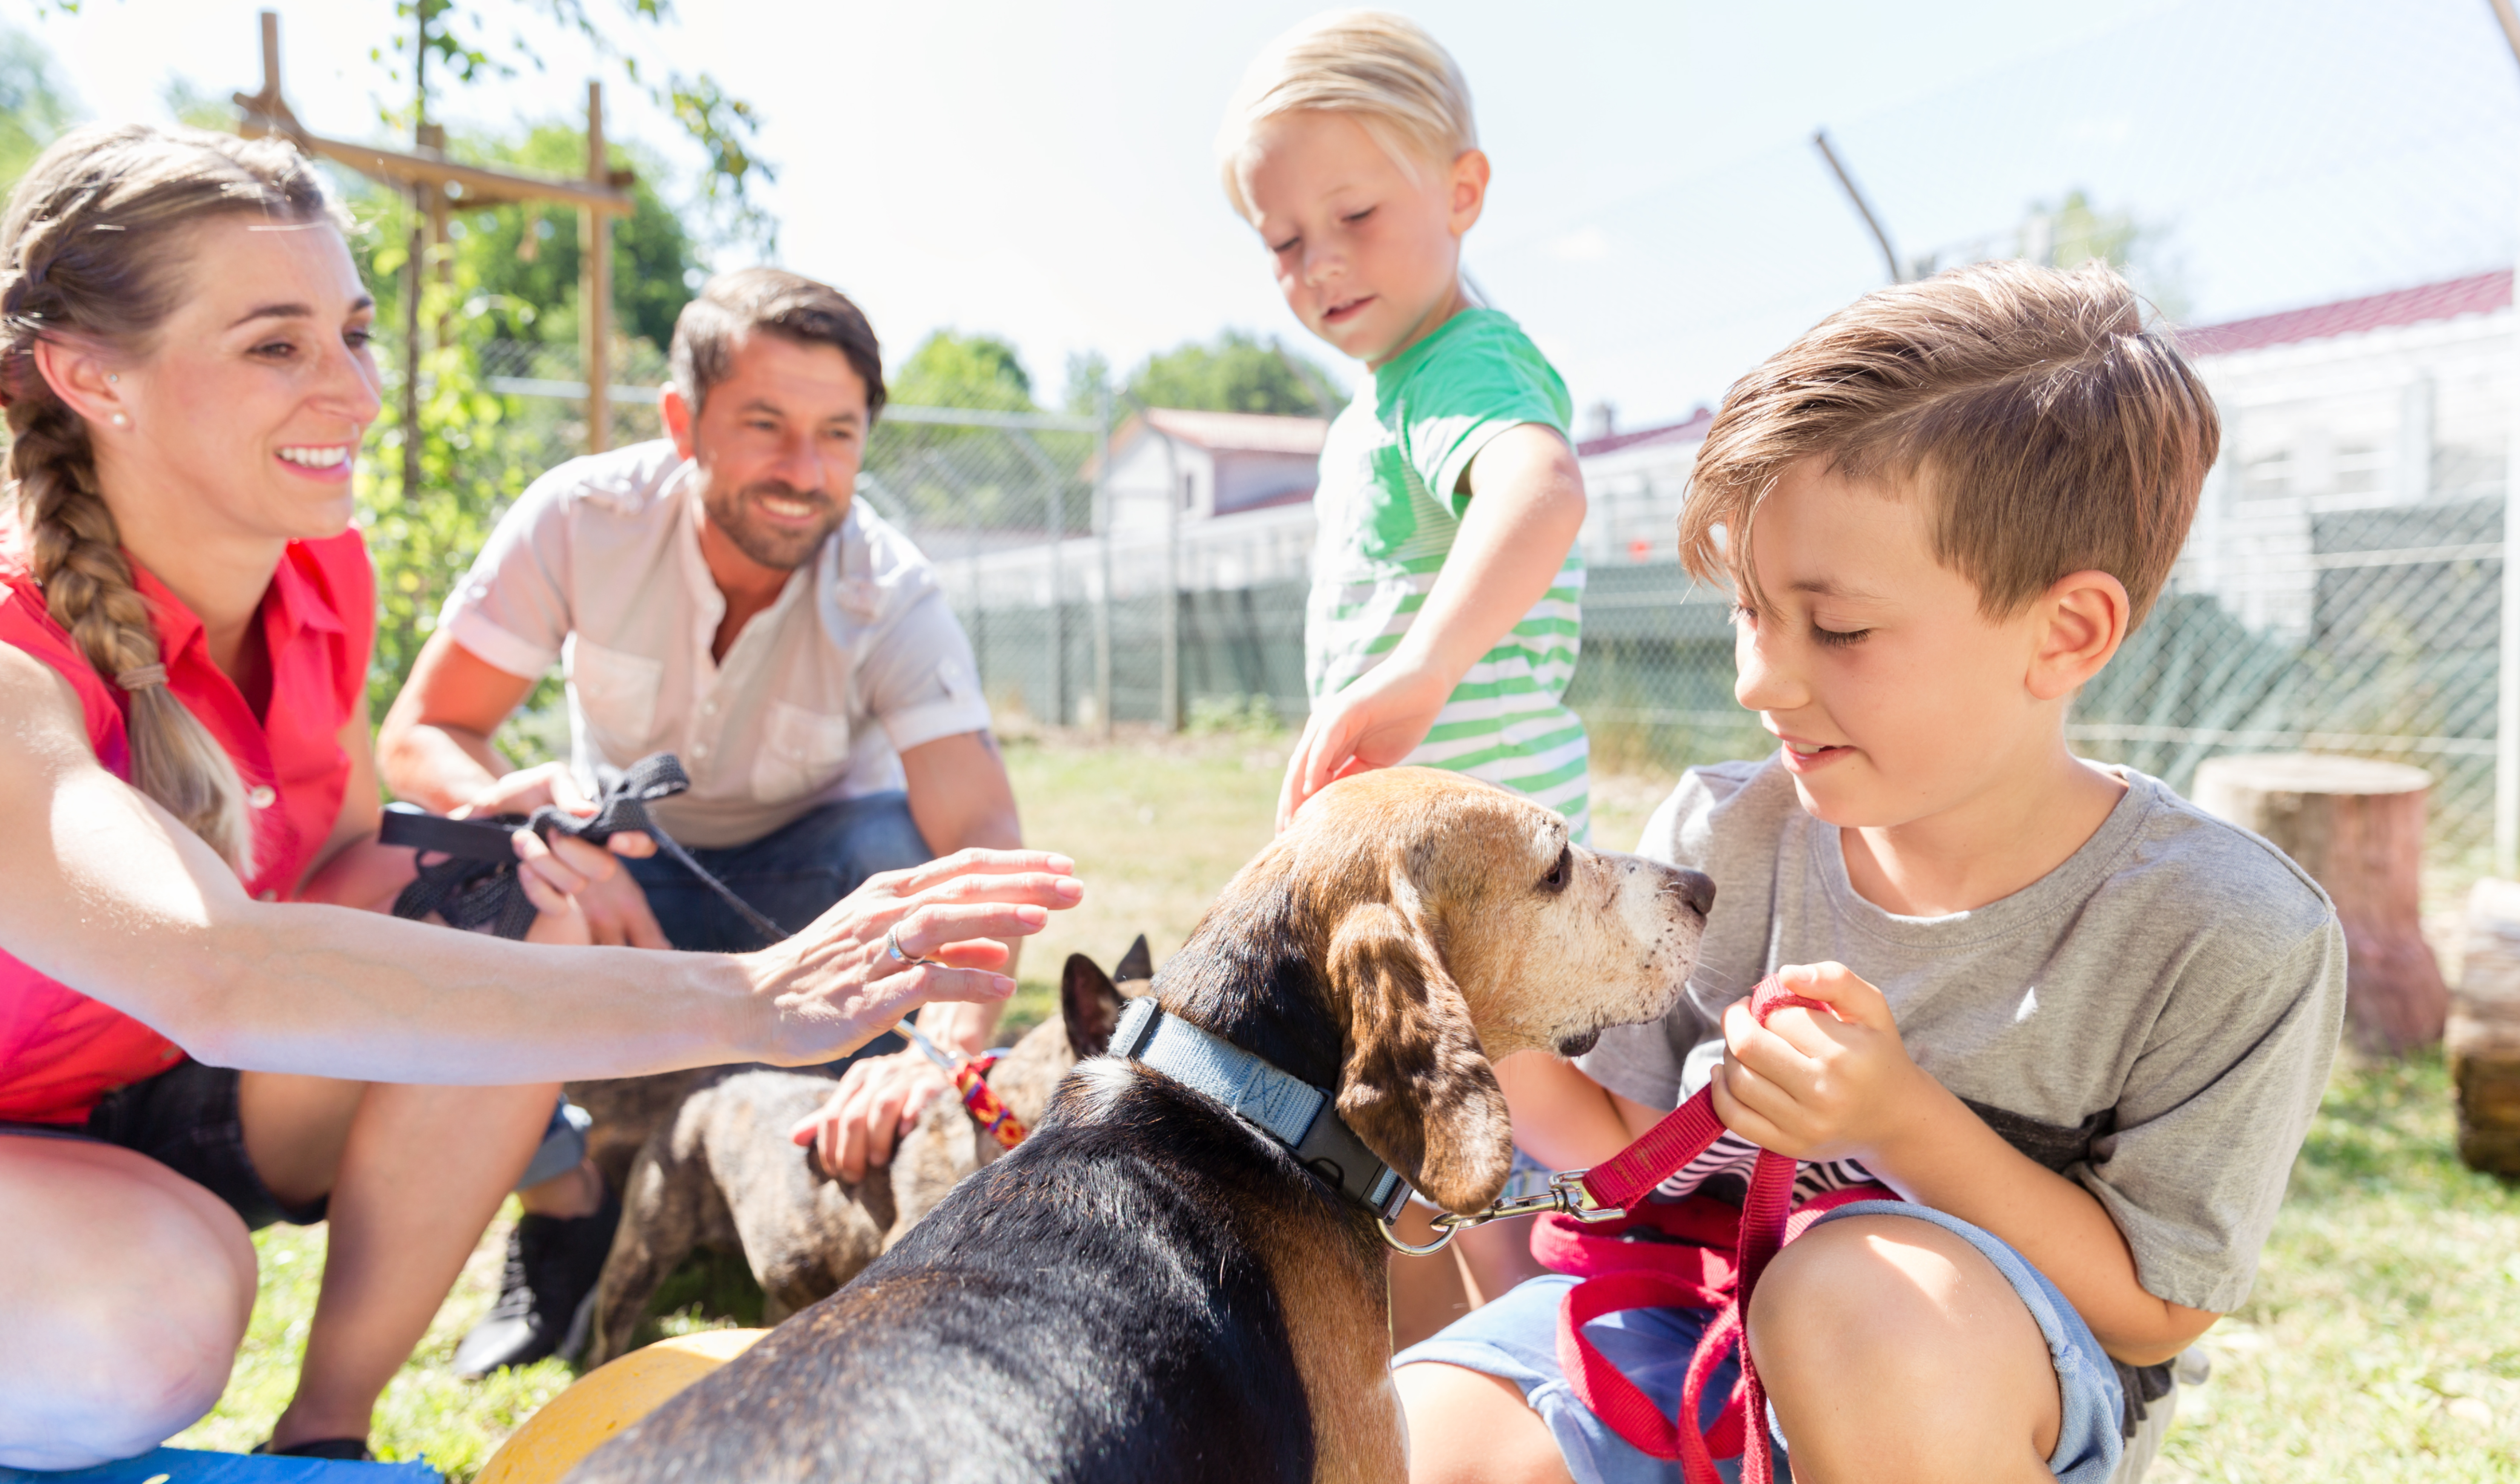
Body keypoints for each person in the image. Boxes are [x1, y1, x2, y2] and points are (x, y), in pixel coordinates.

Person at [0, 124, 1077, 1473]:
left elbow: (329, 861)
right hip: (70, 1106)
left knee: (524, 893)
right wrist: (753, 997)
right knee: (157, 1312)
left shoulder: (319, 581)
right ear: (87, 373)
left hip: (160, 1084)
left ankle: (325, 1433)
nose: (351, 390)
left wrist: (490, 848)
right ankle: (562, 1177)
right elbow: (221, 965)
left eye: (353, 333)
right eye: (276, 346)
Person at [1392, 261, 2348, 1484]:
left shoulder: (2225, 931)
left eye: (1835, 627)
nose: (1758, 680)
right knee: (1417, 1435)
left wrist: (1898, 1120)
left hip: (1948, 1391)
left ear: (2065, 632)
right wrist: (1474, 1017)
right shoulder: (1720, 834)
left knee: (1853, 1301)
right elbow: (1618, 1139)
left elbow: (2152, 1308)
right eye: (1746, 611)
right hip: (1685, 1319)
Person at [374, 267, 1029, 1372]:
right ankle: (563, 1207)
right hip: (627, 871)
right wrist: (542, 836)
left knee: (891, 849)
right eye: (765, 426)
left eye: (837, 434)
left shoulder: (891, 591)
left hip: (809, 898)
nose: (804, 472)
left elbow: (980, 842)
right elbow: (425, 732)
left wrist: (947, 1055)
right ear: (682, 422)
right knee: (450, 868)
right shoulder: (580, 518)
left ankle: (822, 1166)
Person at [1217, 11, 1592, 842]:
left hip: (1490, 855)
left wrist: (1425, 666)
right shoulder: (1382, 398)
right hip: (1435, 846)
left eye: (1354, 214)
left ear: (1462, 193)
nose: (1319, 262)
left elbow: (1541, 484)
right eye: (1282, 240)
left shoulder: (1460, 363)